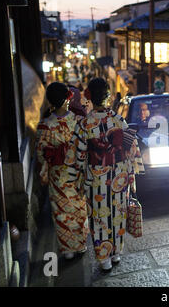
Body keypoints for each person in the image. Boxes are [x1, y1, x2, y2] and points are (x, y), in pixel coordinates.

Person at [67, 78, 144, 272]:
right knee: (118, 214)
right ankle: (116, 253)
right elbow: (131, 151)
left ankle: (104, 259)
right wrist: (131, 176)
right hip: (119, 176)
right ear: (108, 96)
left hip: (96, 178)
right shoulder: (119, 120)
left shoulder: (84, 124)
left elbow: (78, 155)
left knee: (99, 218)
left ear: (89, 96)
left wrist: (77, 178)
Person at [35, 82, 89, 260]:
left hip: (58, 176)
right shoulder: (78, 121)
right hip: (77, 174)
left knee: (62, 213)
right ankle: (80, 245)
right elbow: (85, 147)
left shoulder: (44, 125)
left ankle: (67, 249)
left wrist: (56, 155)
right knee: (79, 210)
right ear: (67, 99)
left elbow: (42, 154)